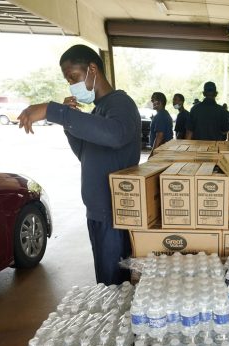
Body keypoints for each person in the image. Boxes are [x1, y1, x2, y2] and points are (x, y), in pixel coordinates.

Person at [17, 44, 141, 286]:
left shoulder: (120, 104)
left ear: (92, 69)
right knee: (106, 283)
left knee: (114, 287)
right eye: (67, 80)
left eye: (73, 77)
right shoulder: (97, 110)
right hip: (97, 212)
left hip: (113, 214)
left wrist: (56, 112)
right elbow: (85, 154)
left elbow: (115, 136)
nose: (71, 84)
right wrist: (69, 124)